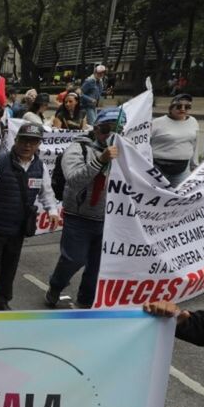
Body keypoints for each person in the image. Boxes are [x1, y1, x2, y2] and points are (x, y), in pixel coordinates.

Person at [0, 124, 60, 310]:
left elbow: (47, 193)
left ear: (38, 144)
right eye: (24, 140)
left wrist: (52, 211)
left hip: (17, 229)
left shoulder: (40, 167)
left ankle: (2, 302)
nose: (28, 145)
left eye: (33, 141)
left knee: (9, 268)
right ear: (17, 140)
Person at [45, 107, 122, 309]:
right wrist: (101, 160)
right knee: (73, 259)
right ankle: (56, 285)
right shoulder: (78, 148)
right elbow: (74, 179)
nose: (111, 135)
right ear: (96, 129)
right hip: (79, 216)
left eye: (118, 130)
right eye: (106, 129)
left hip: (109, 219)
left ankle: (86, 302)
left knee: (97, 266)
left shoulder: (126, 154)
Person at [151, 93, 200, 187]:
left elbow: (194, 144)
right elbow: (145, 143)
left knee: (181, 195)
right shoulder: (157, 122)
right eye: (179, 106)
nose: (183, 109)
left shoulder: (193, 121)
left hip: (182, 168)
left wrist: (194, 165)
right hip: (158, 168)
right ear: (171, 108)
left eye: (187, 107)